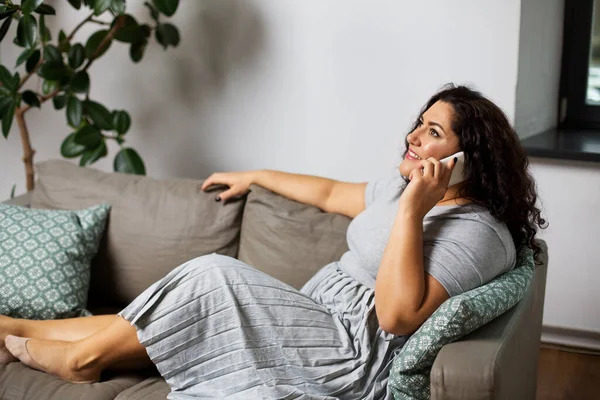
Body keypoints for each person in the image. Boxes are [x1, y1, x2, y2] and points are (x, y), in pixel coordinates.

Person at [0, 84, 547, 399]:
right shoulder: (404, 186)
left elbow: (398, 318)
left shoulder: (479, 233)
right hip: (315, 314)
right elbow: (333, 192)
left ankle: (82, 362)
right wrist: (257, 175)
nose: (412, 137)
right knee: (173, 307)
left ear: (469, 158)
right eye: (418, 124)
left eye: (433, 133)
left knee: (211, 275)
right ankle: (16, 327)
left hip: (352, 353)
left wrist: (413, 211)